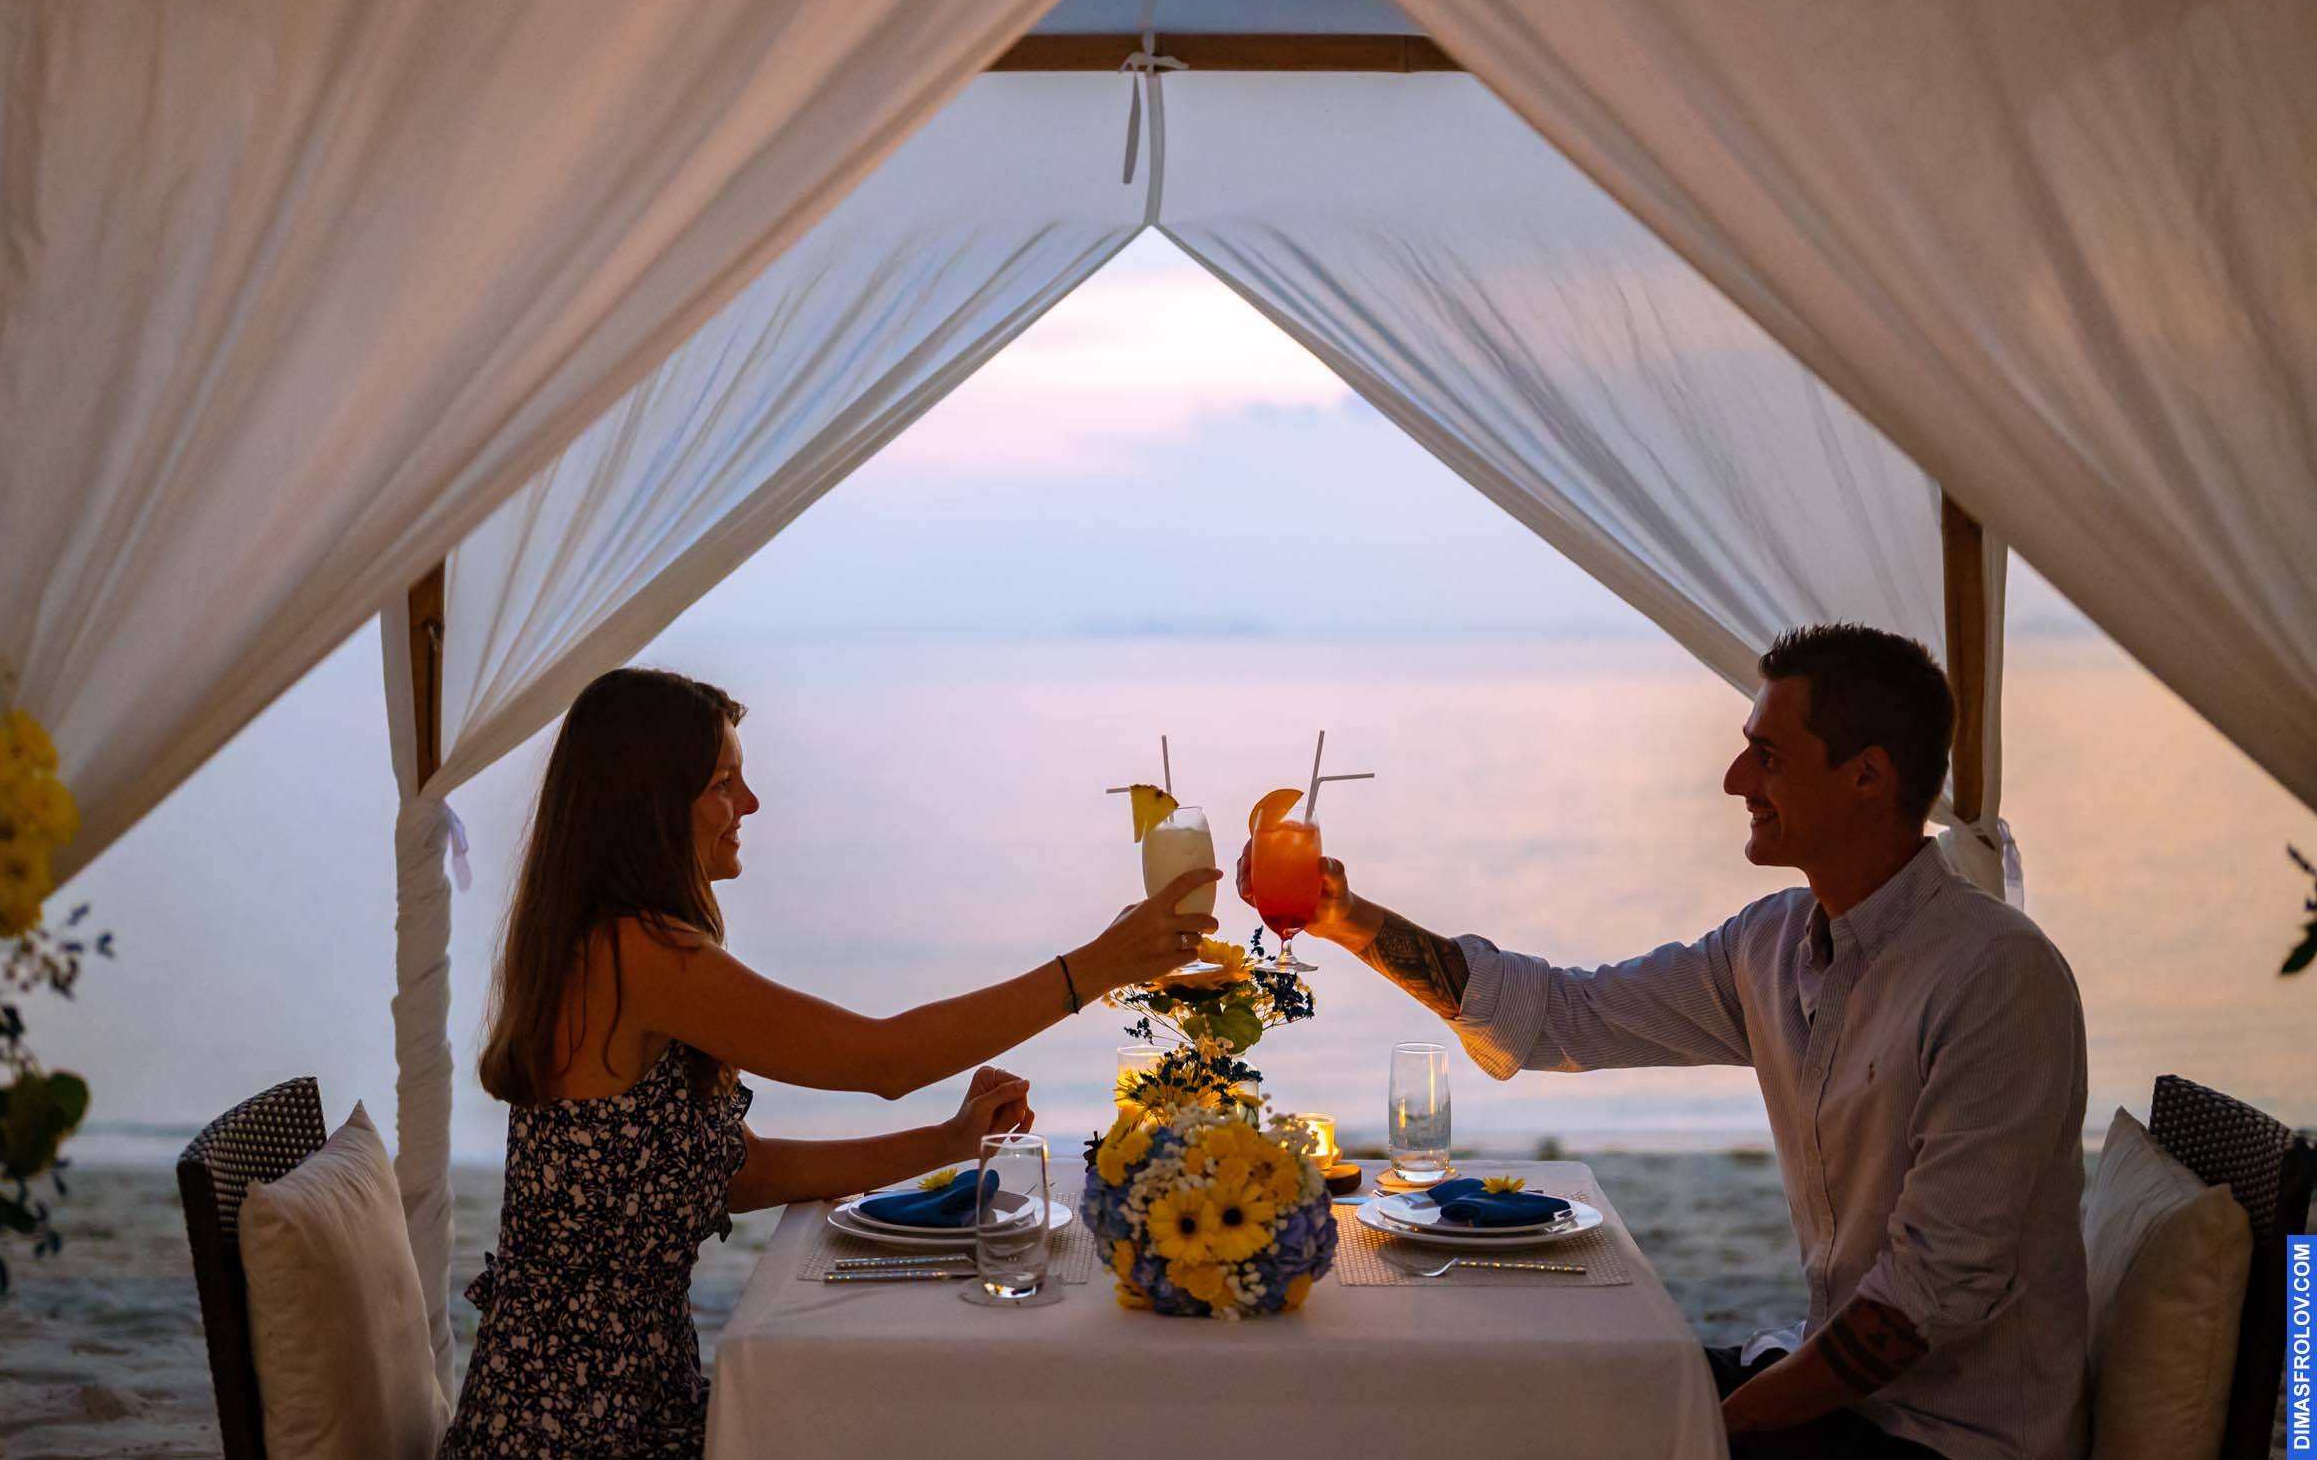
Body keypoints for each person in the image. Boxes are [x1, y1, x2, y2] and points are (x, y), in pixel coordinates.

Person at [1240, 625, 2087, 1460]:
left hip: (1946, 1435)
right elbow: (1568, 1012)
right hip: (1822, 1382)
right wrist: (1349, 921)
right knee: (1511, 1398)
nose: (1734, 779)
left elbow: (1924, 1295)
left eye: (1768, 756)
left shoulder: (1996, 977)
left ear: (1867, 775)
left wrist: (1712, 1423)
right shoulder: (1772, 943)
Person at [441, 668, 1218, 1460]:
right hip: (570, 1428)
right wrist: (1097, 966)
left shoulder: (615, 947)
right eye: (723, 783)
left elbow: (736, 1173)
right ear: (652, 804)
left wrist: (947, 1142)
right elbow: (884, 1059)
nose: (750, 804)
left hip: (624, 1400)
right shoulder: (634, 954)